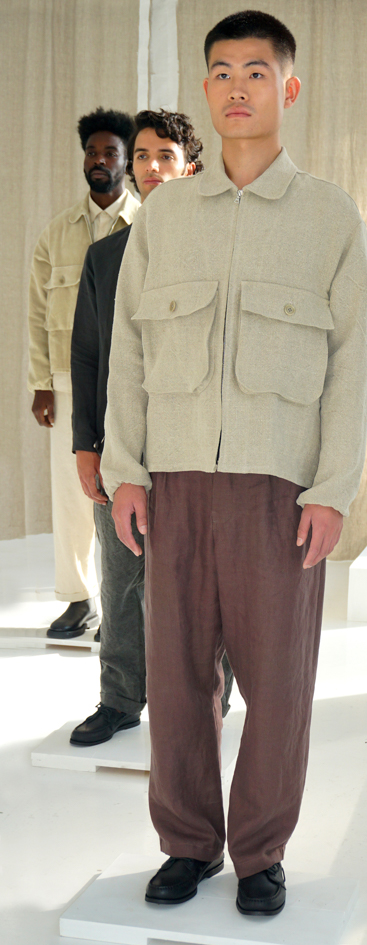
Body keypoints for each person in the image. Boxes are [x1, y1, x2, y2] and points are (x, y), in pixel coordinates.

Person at [101, 9, 367, 917]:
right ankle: (188, 843)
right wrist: (126, 469)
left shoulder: (330, 216)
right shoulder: (166, 215)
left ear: (286, 87)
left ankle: (260, 850)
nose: (236, 88)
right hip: (175, 482)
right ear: (205, 88)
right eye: (220, 72)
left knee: (279, 686)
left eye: (255, 72)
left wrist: (333, 490)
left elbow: (352, 366)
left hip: (277, 490)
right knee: (177, 682)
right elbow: (128, 352)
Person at [69, 109, 236, 747]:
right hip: (121, 446)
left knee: (200, 583)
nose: (152, 168)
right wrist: (86, 445)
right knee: (119, 580)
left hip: (194, 446)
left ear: (190, 167)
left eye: (166, 155)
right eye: (142, 156)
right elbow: (87, 356)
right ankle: (119, 699)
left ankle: (209, 696)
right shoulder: (104, 256)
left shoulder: (217, 249)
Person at [28, 107, 140, 639]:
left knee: (122, 488)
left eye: (110, 152)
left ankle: (124, 608)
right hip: (69, 381)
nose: (99, 160)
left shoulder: (145, 226)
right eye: (92, 152)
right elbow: (37, 312)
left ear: (127, 161)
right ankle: (78, 599)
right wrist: (41, 383)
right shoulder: (56, 234)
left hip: (127, 380)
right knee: (73, 494)